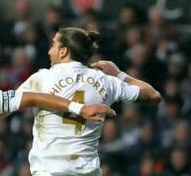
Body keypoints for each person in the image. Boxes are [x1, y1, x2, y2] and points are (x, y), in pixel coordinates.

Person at [17, 27, 161, 176]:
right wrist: (119, 74)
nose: (49, 51)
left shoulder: (42, 79)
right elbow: (153, 95)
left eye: (53, 45)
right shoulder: (106, 82)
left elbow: (9, 103)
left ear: (63, 51)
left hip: (50, 170)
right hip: (87, 171)